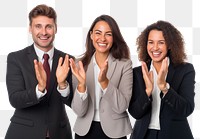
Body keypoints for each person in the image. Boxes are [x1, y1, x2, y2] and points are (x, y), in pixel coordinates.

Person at [5, 4, 73, 139]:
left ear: (55, 29)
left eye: (49, 26)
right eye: (38, 26)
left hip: (59, 134)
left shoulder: (68, 60)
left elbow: (75, 103)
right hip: (23, 133)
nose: (44, 32)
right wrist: (39, 89)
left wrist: (62, 85)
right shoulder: (16, 58)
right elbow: (15, 99)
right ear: (30, 29)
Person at [128, 20, 195, 139]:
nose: (155, 48)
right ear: (145, 44)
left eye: (161, 42)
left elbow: (187, 109)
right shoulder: (138, 72)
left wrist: (165, 88)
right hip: (143, 135)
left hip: (174, 135)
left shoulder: (185, 70)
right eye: (151, 42)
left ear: (169, 45)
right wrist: (148, 91)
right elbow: (135, 113)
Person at [69, 15, 133, 139]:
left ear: (114, 38)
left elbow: (121, 106)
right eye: (98, 33)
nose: (102, 38)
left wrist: (105, 83)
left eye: (108, 34)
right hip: (84, 131)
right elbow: (79, 111)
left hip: (115, 132)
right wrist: (81, 86)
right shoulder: (79, 65)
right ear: (91, 35)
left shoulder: (124, 65)